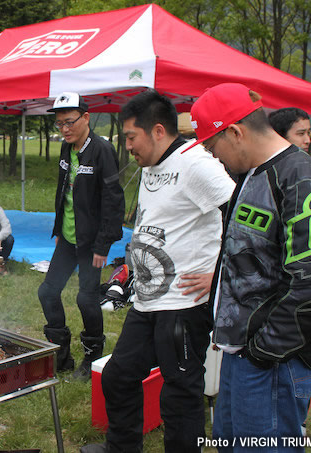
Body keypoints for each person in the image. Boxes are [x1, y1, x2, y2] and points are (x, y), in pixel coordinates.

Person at [189, 83, 311, 451]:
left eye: (214, 149)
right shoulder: (250, 174)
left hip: (274, 361)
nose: (215, 159)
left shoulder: (309, 183)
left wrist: (263, 351)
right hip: (240, 352)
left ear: (234, 132)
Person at [81, 90, 235, 453]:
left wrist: (221, 273)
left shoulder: (195, 162)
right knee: (119, 377)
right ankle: (122, 448)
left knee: (180, 392)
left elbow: (243, 215)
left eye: (132, 137)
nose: (128, 146)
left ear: (159, 131)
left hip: (183, 303)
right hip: (148, 302)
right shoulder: (151, 166)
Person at [38, 92, 125, 380]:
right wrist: (59, 230)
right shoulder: (67, 149)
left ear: (86, 118)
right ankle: (60, 354)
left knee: (86, 299)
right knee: (48, 291)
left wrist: (104, 244)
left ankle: (92, 359)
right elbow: (65, 191)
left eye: (69, 122)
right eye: (60, 124)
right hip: (67, 238)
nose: (64, 129)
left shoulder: (101, 150)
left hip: (92, 244)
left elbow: (114, 200)